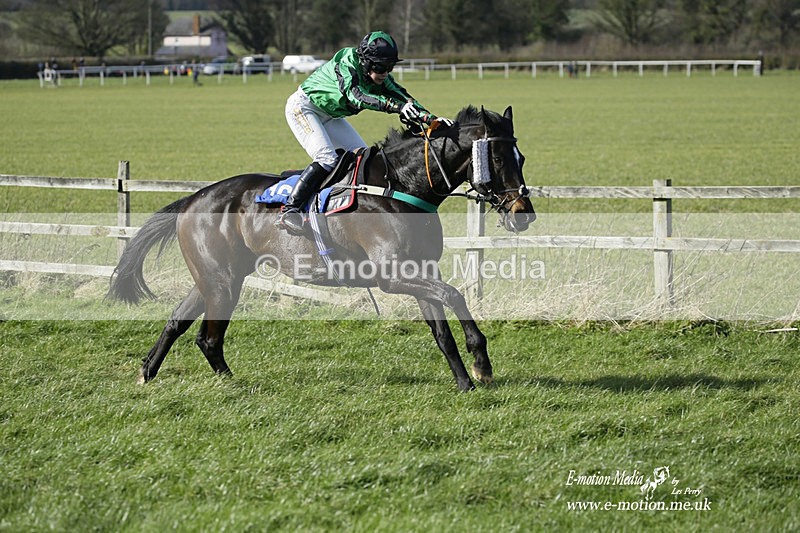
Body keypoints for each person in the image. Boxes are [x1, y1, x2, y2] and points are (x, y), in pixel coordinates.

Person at [277, 30, 453, 234]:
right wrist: (396, 108)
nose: (385, 72)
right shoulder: (346, 64)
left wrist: (432, 120)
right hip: (304, 108)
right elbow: (356, 96)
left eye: (389, 67)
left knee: (361, 156)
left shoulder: (378, 74)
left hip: (329, 116)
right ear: (366, 62)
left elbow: (403, 98)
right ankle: (290, 209)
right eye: (381, 67)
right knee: (326, 158)